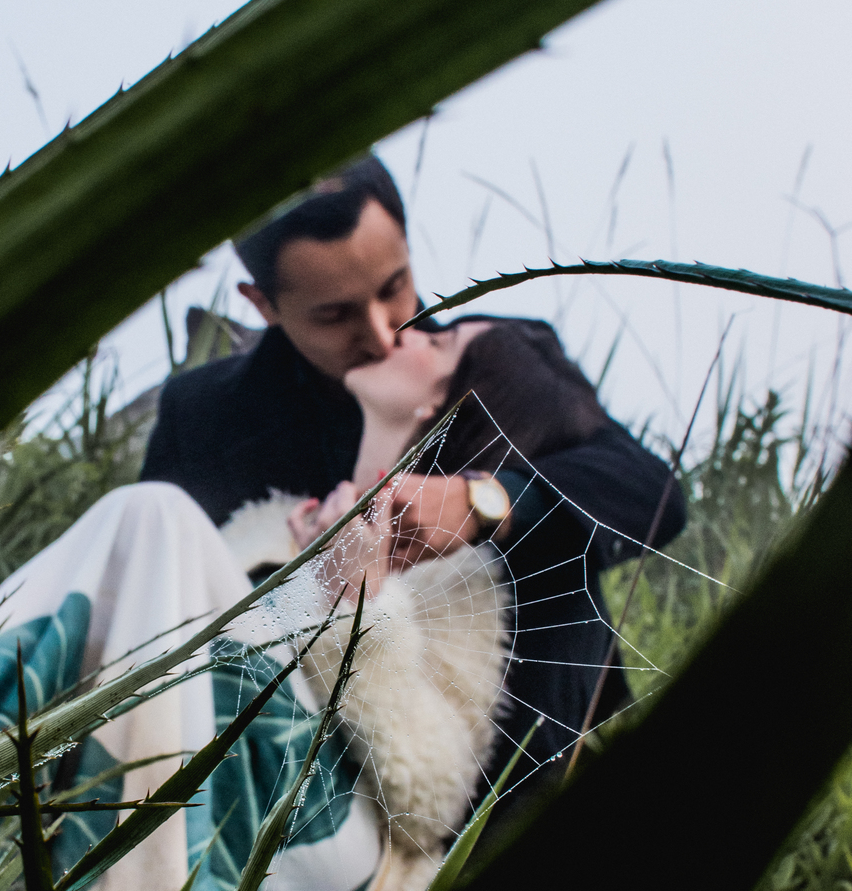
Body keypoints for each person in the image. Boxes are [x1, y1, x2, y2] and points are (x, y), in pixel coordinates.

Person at [141, 154, 687, 807]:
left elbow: (651, 492)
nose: (382, 331)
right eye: (334, 315)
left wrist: (488, 502)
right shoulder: (203, 415)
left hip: (517, 750)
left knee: (550, 548)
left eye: (395, 285)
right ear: (263, 303)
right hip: (291, 761)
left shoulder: (492, 354)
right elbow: (170, 607)